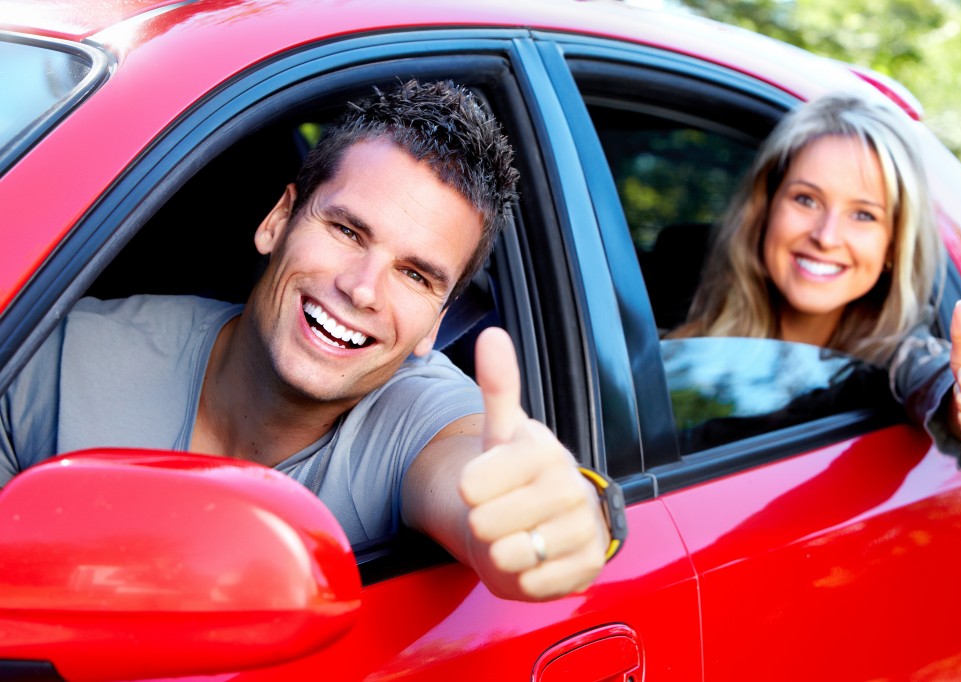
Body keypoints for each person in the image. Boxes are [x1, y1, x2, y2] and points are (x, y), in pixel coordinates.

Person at [0, 80, 616, 602]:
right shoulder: (55, 357)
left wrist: (566, 511)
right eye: (347, 230)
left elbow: (473, 468)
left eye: (415, 274)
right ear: (277, 220)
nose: (363, 289)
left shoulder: (419, 419)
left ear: (437, 321)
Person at [668, 93, 961, 468]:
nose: (827, 236)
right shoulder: (671, 314)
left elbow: (936, 381)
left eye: (864, 216)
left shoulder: (895, 356)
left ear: (892, 246)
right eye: (806, 200)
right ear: (766, 207)